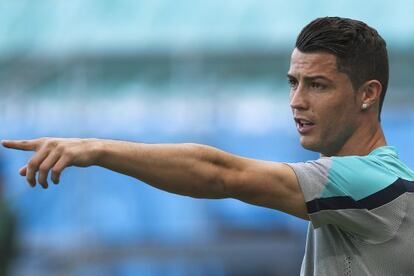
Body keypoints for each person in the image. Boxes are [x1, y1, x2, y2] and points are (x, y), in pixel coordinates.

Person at [2, 16, 414, 275]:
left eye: (317, 85)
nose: (296, 100)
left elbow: (221, 174)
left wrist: (95, 149)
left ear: (367, 94)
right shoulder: (356, 182)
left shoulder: (370, 180)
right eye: (293, 82)